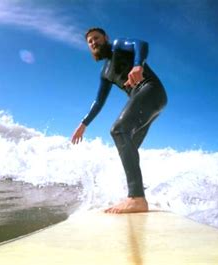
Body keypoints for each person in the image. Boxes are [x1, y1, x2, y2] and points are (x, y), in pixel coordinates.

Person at [71, 27, 167, 214]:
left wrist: (138, 65)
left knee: (118, 130)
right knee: (129, 147)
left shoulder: (117, 46)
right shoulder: (105, 72)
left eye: (96, 38)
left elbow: (141, 44)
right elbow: (99, 101)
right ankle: (138, 193)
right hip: (150, 101)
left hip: (151, 90)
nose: (93, 42)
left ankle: (136, 198)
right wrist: (83, 124)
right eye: (89, 42)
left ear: (105, 38)